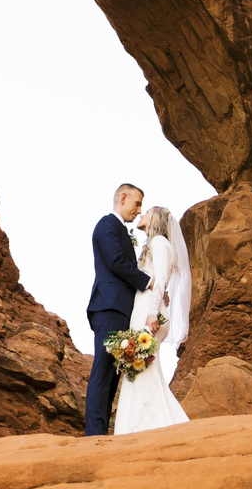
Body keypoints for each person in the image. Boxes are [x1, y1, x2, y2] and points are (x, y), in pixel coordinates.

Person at [110, 203, 193, 434]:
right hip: (147, 309)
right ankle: (149, 424)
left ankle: (142, 427)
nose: (141, 213)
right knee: (142, 370)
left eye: (146, 212)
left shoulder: (159, 242)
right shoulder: (156, 244)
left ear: (154, 219)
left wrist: (151, 313)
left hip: (150, 312)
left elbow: (161, 280)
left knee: (141, 369)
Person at [82, 182, 150, 436]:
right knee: (103, 368)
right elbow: (116, 262)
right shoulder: (107, 225)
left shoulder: (118, 228)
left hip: (119, 309)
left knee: (112, 373)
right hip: (108, 306)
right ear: (123, 197)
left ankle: (99, 432)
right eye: (137, 203)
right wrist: (148, 282)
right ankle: (94, 434)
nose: (138, 209)